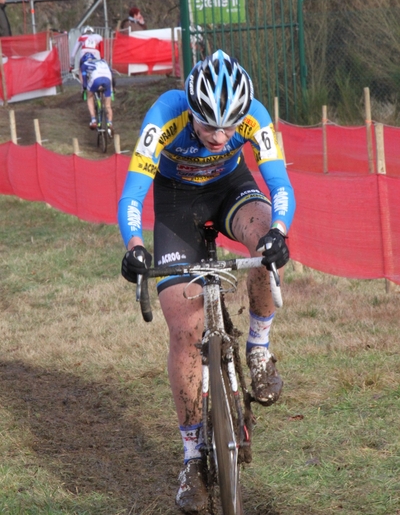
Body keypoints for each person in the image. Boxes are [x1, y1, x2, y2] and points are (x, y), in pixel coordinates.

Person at [118, 49, 296, 513]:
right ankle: (193, 458)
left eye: (229, 126)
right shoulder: (166, 114)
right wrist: (134, 245)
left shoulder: (254, 117)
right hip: (176, 203)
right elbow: (133, 191)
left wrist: (278, 233)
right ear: (191, 111)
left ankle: (258, 347)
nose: (220, 137)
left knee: (264, 249)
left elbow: (279, 184)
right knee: (185, 327)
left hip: (231, 190)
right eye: (209, 125)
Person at [81, 57, 114, 135]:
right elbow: (112, 73)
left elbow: (84, 78)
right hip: (108, 79)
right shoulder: (103, 61)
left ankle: (93, 120)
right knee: (108, 105)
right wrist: (113, 88)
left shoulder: (84, 64)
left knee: (90, 96)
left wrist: (85, 88)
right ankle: (110, 123)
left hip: (96, 78)